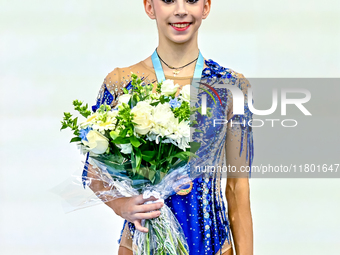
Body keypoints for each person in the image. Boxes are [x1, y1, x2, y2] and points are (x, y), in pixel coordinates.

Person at [86, 0, 254, 254]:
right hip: (141, 242)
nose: (181, 10)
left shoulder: (232, 86)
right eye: (167, 0)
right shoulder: (121, 83)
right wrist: (122, 205)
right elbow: (93, 173)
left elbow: (237, 187)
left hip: (213, 246)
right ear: (149, 7)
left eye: (192, 0)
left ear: (206, 7)